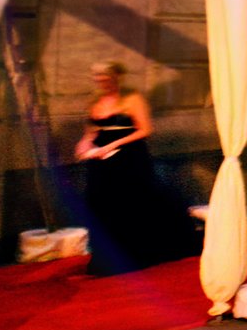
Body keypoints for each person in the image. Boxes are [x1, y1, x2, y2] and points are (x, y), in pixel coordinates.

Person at [78, 60, 194, 275]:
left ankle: (139, 252)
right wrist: (85, 143)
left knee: (132, 201)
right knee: (102, 202)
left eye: (106, 77)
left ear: (116, 77)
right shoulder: (94, 101)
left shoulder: (133, 99)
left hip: (128, 156)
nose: (102, 81)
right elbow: (91, 131)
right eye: (98, 77)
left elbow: (145, 129)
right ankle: (109, 256)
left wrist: (114, 144)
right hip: (101, 159)